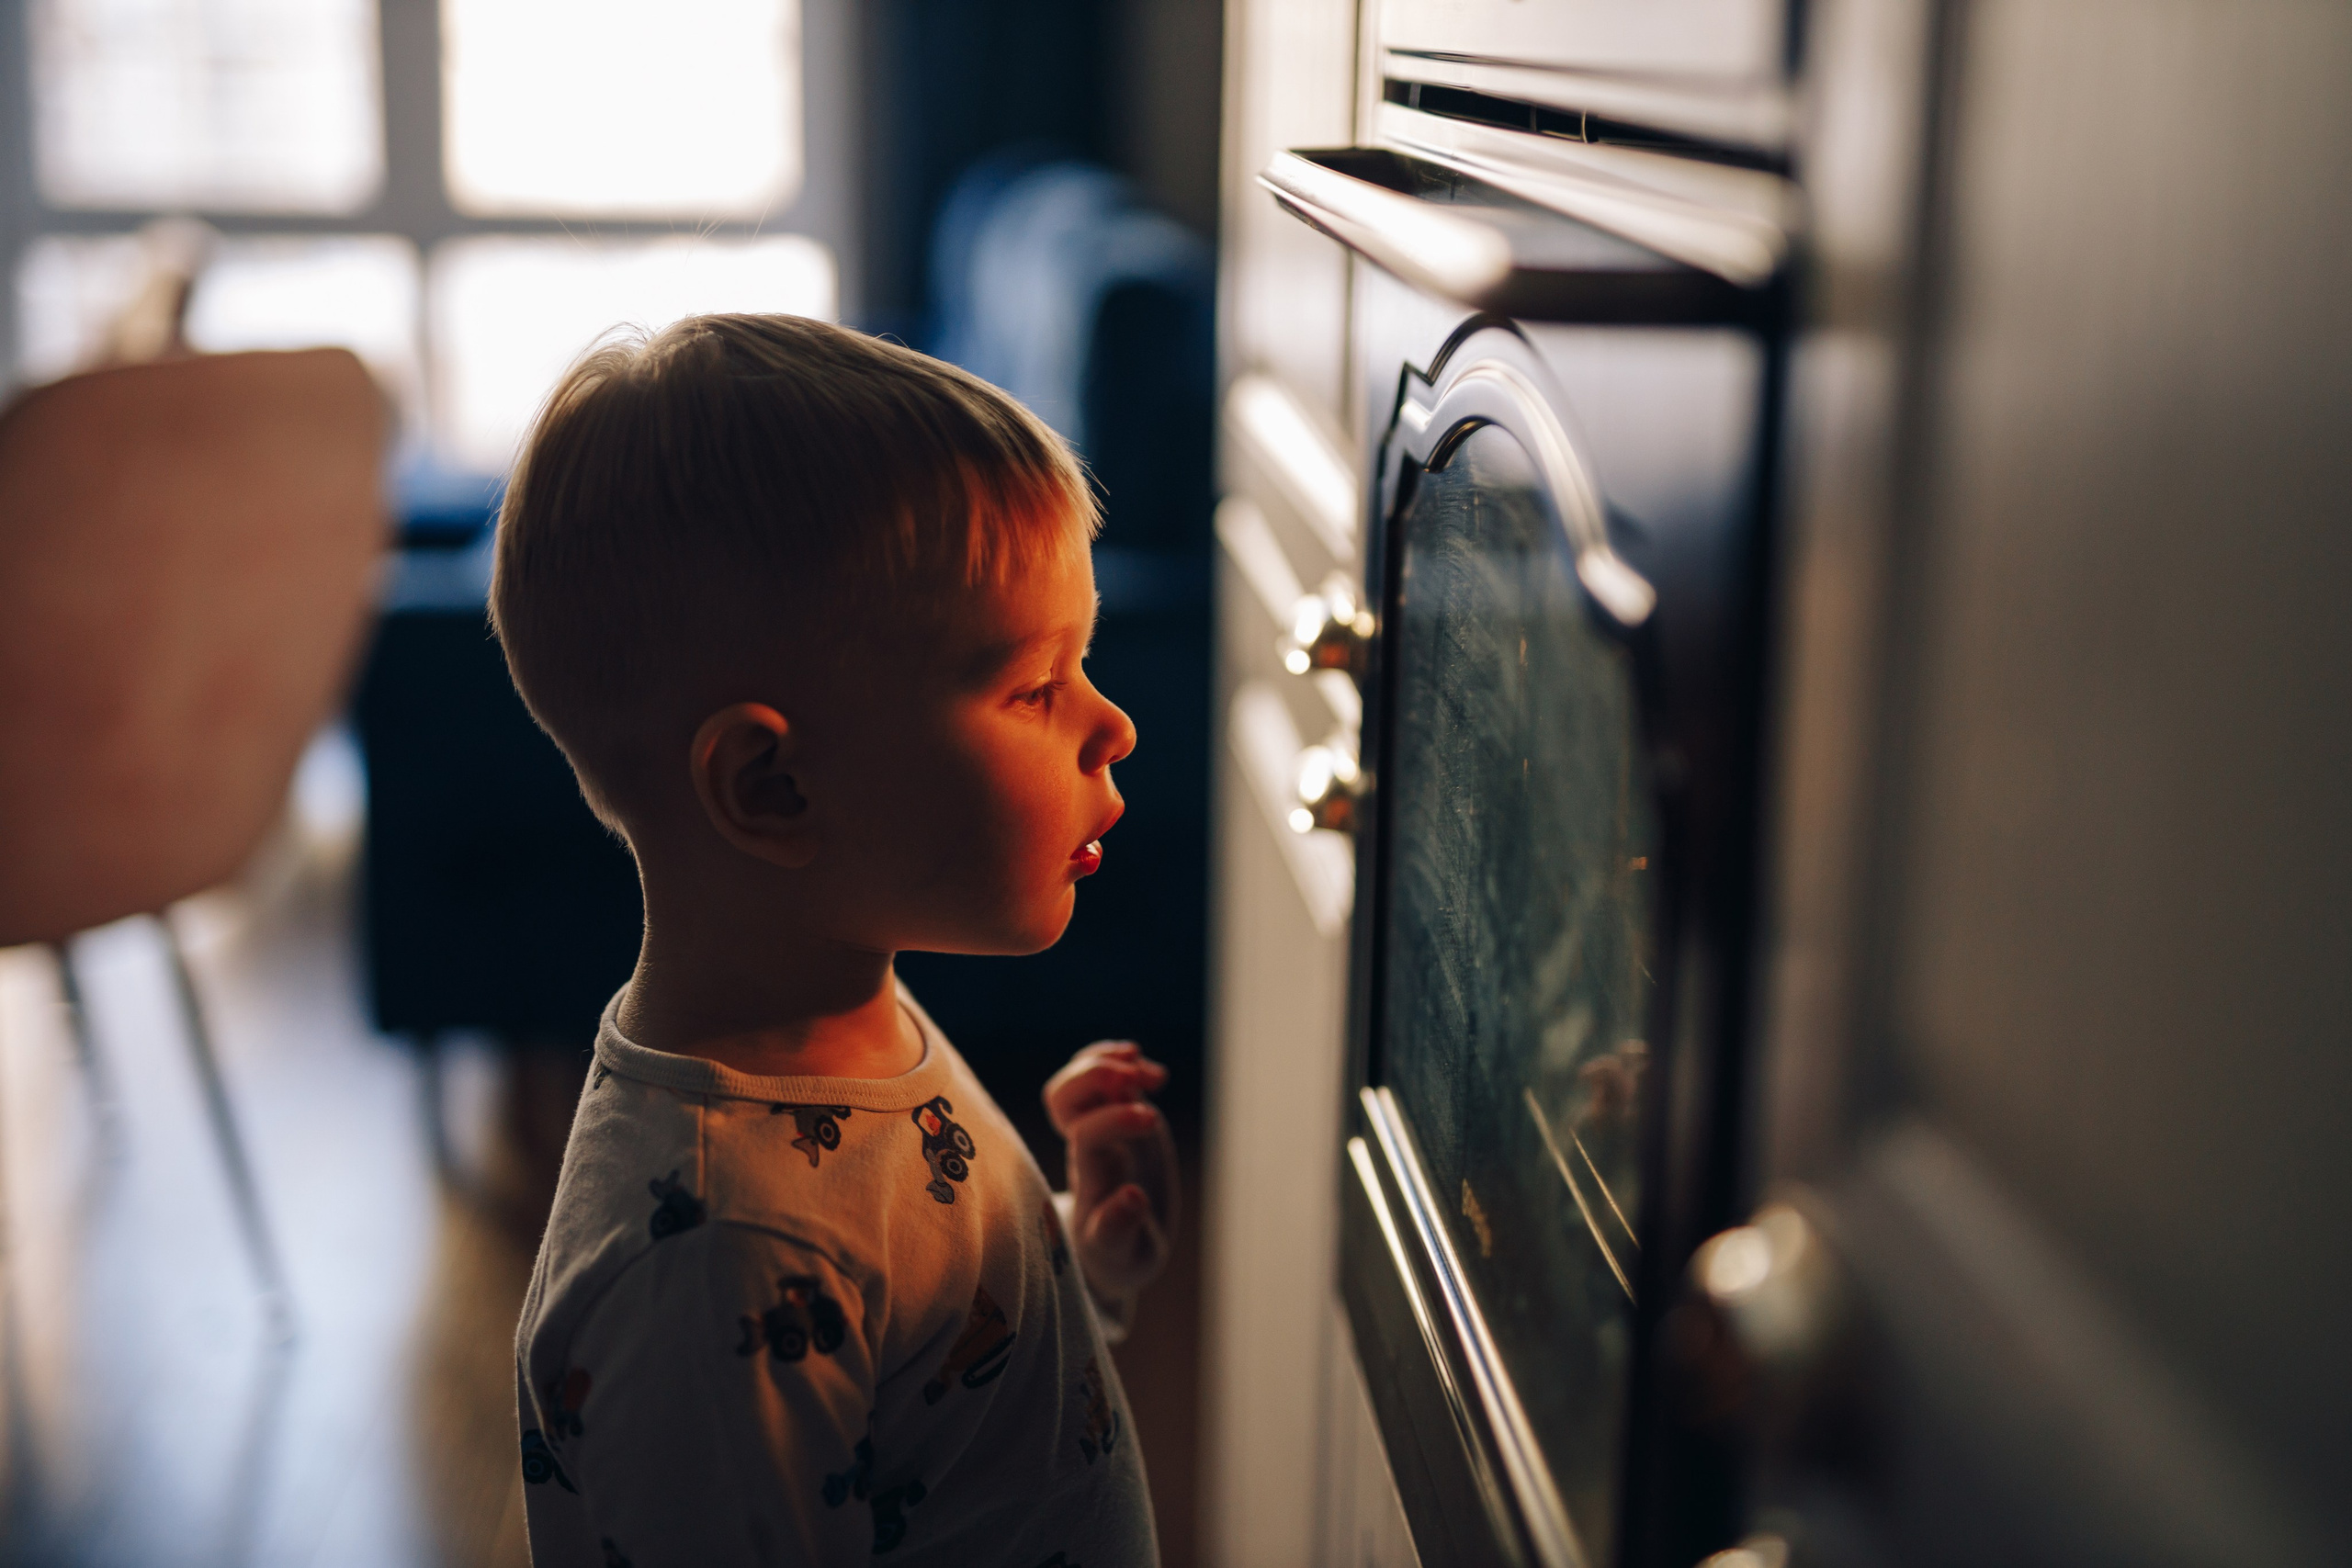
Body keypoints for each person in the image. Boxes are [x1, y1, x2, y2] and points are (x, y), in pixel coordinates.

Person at [493, 313, 1175, 1565]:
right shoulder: (720, 1272)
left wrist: (1078, 1254)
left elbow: (923, 1371)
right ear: (774, 787)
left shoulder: (844, 1018)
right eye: (1036, 686)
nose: (1114, 725)